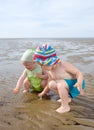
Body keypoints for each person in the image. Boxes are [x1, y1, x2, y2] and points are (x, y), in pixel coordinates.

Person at [33, 44, 86, 113]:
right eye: (40, 65)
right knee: (51, 84)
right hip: (65, 85)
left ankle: (65, 106)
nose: (42, 68)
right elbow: (49, 81)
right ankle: (66, 98)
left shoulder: (63, 65)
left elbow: (78, 73)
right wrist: (44, 92)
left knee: (60, 84)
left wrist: (79, 82)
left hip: (76, 85)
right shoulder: (50, 71)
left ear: (51, 62)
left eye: (43, 65)